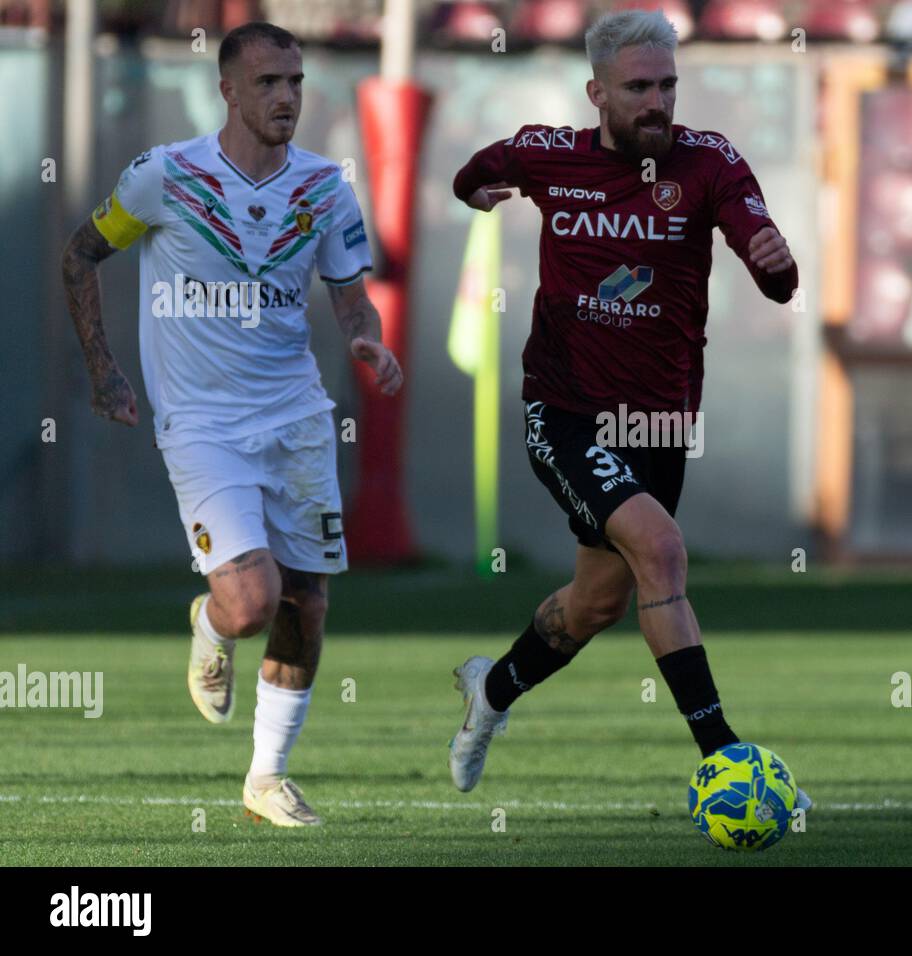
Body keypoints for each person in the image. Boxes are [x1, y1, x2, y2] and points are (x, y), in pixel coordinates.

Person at [447, 8, 809, 810]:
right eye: (639, 87)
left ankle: (492, 690)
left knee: (596, 604)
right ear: (598, 92)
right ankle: (727, 762)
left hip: (658, 424)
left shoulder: (709, 164)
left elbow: (775, 270)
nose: (657, 102)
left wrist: (772, 262)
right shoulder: (549, 155)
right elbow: (472, 173)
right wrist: (479, 194)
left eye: (668, 85)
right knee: (664, 549)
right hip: (565, 409)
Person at [60, 21, 402, 826]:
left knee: (306, 604)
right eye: (269, 83)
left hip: (298, 417)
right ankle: (212, 623)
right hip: (203, 422)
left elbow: (353, 296)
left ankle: (265, 780)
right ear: (229, 90)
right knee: (252, 603)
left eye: (295, 80)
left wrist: (367, 341)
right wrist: (103, 369)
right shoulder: (164, 178)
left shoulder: (325, 189)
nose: (286, 96)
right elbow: (80, 256)